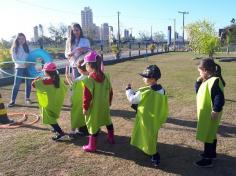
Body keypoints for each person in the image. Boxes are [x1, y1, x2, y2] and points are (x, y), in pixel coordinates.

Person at [125, 65, 168, 167]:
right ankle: (148, 149)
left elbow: (132, 99)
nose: (143, 78)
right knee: (152, 136)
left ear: (152, 78)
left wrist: (128, 90)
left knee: (147, 135)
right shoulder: (162, 90)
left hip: (145, 118)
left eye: (145, 76)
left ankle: (155, 155)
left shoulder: (144, 91)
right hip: (155, 118)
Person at [194, 58, 225, 168]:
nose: (200, 73)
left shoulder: (214, 81)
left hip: (211, 114)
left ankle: (207, 159)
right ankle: (212, 154)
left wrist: (216, 110)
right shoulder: (207, 80)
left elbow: (219, 97)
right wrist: (198, 81)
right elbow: (199, 92)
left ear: (205, 70)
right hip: (207, 113)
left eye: (200, 71)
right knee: (211, 134)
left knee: (208, 135)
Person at [81, 51, 114, 152]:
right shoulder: (106, 76)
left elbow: (87, 97)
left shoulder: (89, 80)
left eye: (86, 64)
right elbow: (111, 91)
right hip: (104, 105)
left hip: (94, 108)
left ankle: (92, 146)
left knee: (93, 125)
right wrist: (109, 102)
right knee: (108, 120)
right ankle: (111, 138)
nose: (86, 67)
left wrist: (85, 108)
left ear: (90, 65)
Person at [32, 63, 67, 141]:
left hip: (48, 104)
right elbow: (64, 87)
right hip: (56, 102)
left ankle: (60, 133)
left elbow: (33, 84)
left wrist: (36, 79)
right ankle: (56, 129)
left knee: (50, 118)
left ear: (46, 72)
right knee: (52, 116)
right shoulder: (59, 79)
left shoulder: (44, 82)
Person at [8, 33, 32, 107]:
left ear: (25, 39)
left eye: (23, 38)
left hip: (28, 68)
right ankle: (12, 100)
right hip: (19, 68)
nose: (21, 40)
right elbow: (15, 59)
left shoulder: (28, 47)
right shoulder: (14, 48)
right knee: (17, 84)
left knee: (28, 83)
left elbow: (32, 57)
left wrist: (31, 63)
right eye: (19, 38)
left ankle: (27, 98)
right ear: (17, 39)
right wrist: (23, 64)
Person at [70, 60, 89, 138]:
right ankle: (91, 129)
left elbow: (73, 92)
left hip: (79, 102)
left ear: (80, 70)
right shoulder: (91, 78)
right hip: (89, 102)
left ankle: (82, 131)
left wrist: (71, 101)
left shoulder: (77, 80)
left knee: (79, 115)